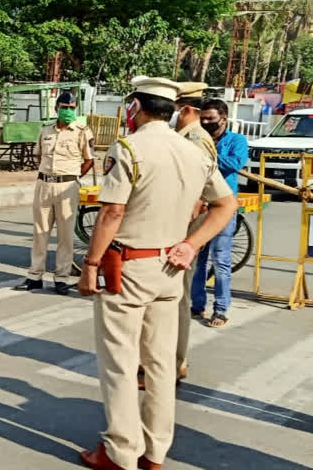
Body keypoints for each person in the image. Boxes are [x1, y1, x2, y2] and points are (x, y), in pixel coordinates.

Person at [77, 77, 236, 470]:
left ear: (135, 107)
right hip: (170, 266)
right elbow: (225, 203)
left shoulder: (129, 147)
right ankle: (155, 451)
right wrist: (191, 244)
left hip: (128, 266)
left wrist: (91, 264)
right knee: (161, 364)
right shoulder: (194, 151)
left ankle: (120, 451)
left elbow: (112, 212)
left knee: (120, 361)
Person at [137, 82, 218, 389]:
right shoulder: (190, 137)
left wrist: (180, 235)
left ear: (183, 108)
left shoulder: (194, 139)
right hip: (180, 230)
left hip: (181, 231)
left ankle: (170, 365)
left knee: (174, 300)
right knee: (173, 298)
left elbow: (198, 196)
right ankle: (171, 363)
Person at [16, 91, 94, 294]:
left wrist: (73, 176)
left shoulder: (82, 131)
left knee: (65, 235)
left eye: (71, 108)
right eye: (64, 107)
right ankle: (35, 276)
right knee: (40, 233)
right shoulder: (46, 129)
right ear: (56, 108)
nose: (67, 111)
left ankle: (61, 278)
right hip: (44, 185)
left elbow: (89, 160)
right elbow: (38, 155)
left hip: (67, 187)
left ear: (75, 109)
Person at [191, 98, 248, 328]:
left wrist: (208, 154)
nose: (205, 122)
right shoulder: (196, 138)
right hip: (198, 204)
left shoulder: (237, 140)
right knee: (197, 259)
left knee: (221, 259)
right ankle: (196, 304)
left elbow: (234, 163)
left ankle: (221, 310)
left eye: (210, 119)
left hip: (223, 207)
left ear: (223, 119)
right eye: (202, 118)